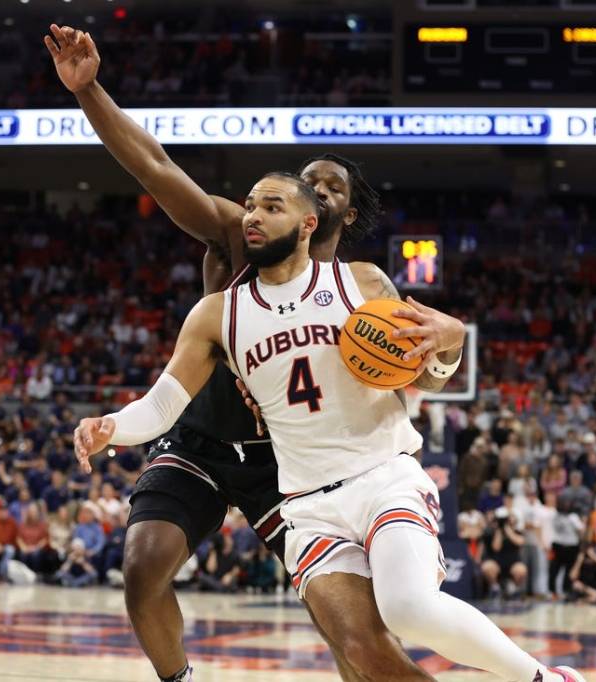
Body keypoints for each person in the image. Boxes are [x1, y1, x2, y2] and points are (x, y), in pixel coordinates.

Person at [73, 173, 584, 682]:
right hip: (308, 506)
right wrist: (110, 426)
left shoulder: (359, 282)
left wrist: (450, 345)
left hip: (384, 477)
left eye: (272, 207)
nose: (252, 216)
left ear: (307, 224)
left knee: (409, 608)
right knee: (361, 650)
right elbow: (162, 406)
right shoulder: (216, 314)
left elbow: (426, 372)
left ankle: (546, 679)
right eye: (250, 206)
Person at [45, 23, 434, 682]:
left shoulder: (364, 292)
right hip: (199, 435)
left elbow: (403, 382)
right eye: (305, 179)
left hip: (291, 463)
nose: (315, 189)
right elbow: (156, 165)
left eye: (331, 186)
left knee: (353, 636)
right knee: (141, 570)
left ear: (340, 213)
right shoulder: (238, 234)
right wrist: (89, 93)